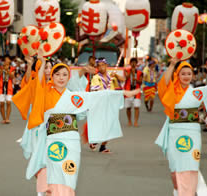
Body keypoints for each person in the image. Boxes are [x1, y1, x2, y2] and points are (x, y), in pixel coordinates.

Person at [13, 50, 139, 195]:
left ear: (68, 78)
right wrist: (40, 64)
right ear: (51, 77)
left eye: (64, 75)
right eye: (57, 75)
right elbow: (38, 79)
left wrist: (123, 93)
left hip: (71, 142)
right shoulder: (44, 92)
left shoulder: (73, 97)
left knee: (69, 174)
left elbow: (97, 96)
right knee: (54, 174)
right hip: (54, 141)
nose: (61, 78)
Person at [156, 57, 207, 196]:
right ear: (177, 75)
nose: (186, 77)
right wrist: (172, 64)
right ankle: (179, 189)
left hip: (193, 133)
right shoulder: (171, 91)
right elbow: (163, 84)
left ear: (192, 76)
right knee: (175, 168)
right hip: (175, 132)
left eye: (189, 74)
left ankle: (187, 193)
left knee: (191, 165)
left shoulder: (197, 93)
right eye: (183, 74)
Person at [89, 57, 125, 153]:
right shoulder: (96, 78)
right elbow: (95, 89)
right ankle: (95, 141)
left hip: (111, 104)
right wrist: (105, 92)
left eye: (103, 65)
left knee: (110, 125)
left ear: (106, 65)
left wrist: (116, 76)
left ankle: (102, 146)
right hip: (101, 104)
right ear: (97, 67)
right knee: (102, 125)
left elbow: (123, 80)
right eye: (99, 65)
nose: (101, 67)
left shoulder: (112, 76)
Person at [124, 58, 142, 127]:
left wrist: (136, 80)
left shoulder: (140, 72)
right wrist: (131, 72)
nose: (133, 64)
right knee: (128, 107)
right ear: (130, 63)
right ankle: (129, 121)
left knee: (136, 107)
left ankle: (136, 121)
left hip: (136, 91)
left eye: (135, 62)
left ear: (136, 64)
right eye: (132, 62)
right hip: (128, 90)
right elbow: (126, 78)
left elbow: (140, 82)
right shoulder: (126, 70)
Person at [0, 55, 15, 124]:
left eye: (8, 59)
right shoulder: (1, 68)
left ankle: (7, 118)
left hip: (9, 86)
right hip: (1, 86)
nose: (6, 61)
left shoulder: (12, 68)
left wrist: (7, 70)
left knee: (8, 102)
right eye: (5, 60)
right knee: (1, 103)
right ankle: (4, 118)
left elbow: (12, 76)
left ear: (10, 61)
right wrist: (3, 69)